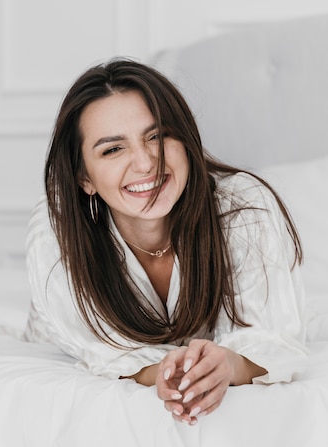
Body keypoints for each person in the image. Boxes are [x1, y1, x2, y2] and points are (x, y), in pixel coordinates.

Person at [24, 59, 307, 426]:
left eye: (157, 136)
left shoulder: (244, 208)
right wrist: (163, 372)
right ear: (84, 178)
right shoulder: (56, 232)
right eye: (113, 149)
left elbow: (276, 338)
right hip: (57, 334)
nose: (145, 163)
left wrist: (228, 364)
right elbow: (103, 352)